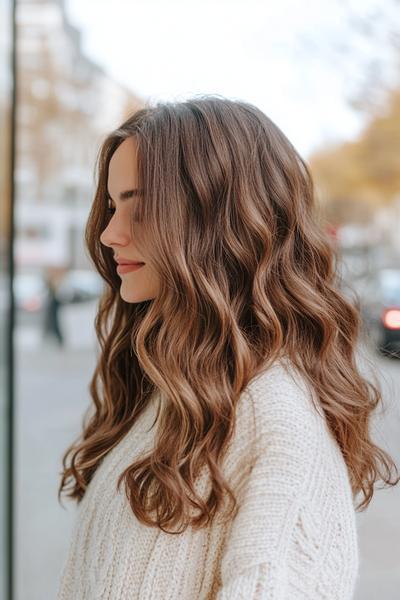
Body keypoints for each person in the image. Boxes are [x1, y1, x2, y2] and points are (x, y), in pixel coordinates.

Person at [56, 96, 399, 599]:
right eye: (112, 205)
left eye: (141, 205)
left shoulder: (274, 420)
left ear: (223, 221)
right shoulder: (180, 390)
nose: (109, 233)